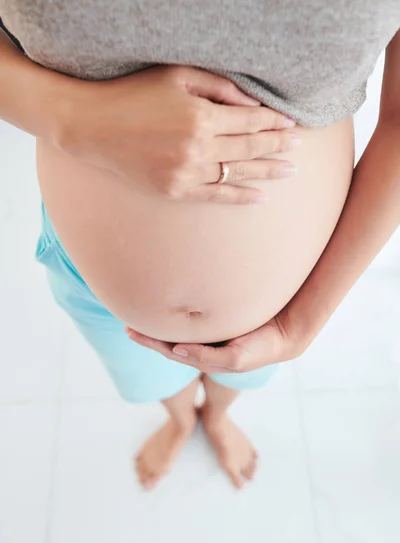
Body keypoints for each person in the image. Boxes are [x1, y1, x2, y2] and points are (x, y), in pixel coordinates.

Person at [0, 2, 399, 491]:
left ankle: (215, 417)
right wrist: (76, 120)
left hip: (289, 296)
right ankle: (180, 420)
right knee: (147, 380)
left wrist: (301, 323)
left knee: (240, 378)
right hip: (93, 285)